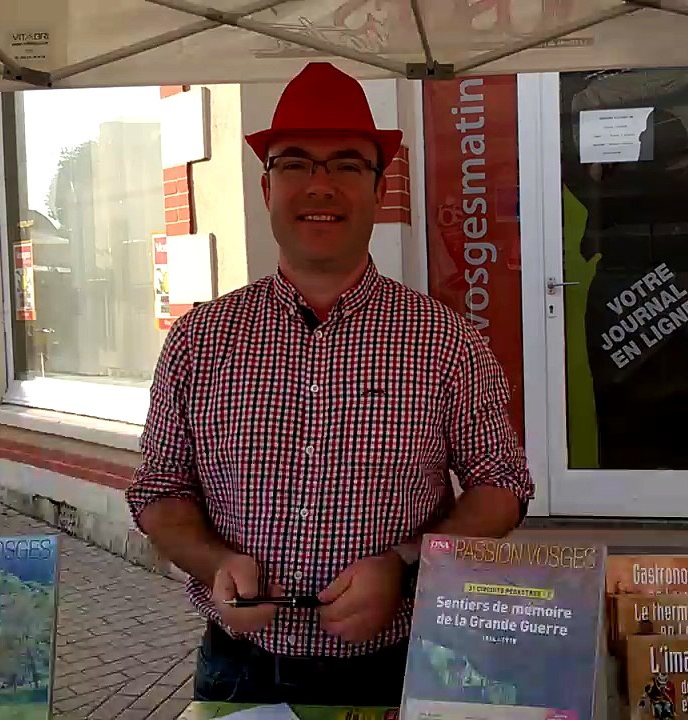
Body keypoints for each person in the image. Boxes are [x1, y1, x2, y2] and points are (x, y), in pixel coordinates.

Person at [124, 61, 535, 707]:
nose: (321, 186)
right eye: (295, 164)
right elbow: (159, 491)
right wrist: (213, 563)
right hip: (240, 668)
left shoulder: (445, 340)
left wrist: (403, 569)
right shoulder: (199, 341)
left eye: (346, 165)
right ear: (266, 189)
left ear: (379, 189)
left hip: (399, 665)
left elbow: (501, 485)